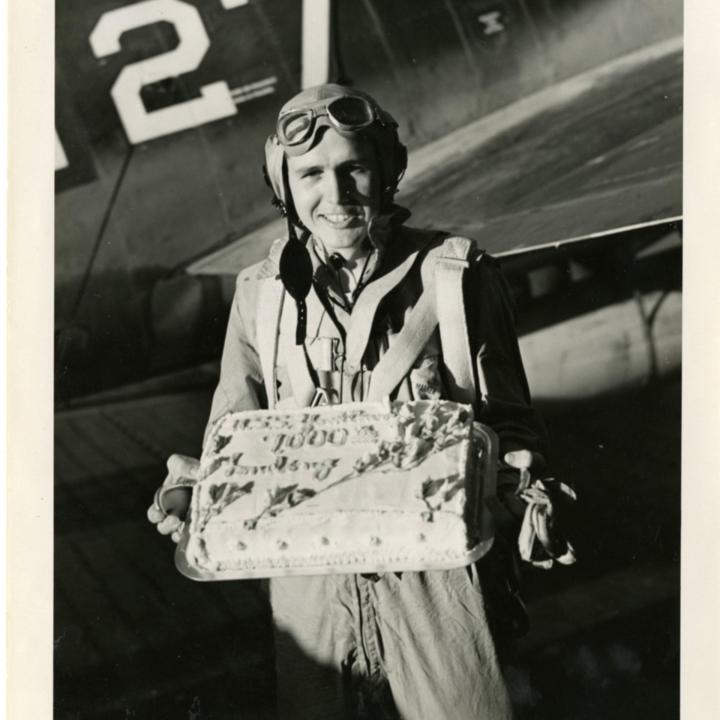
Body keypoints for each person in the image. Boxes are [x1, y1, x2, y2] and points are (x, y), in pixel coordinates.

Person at [148, 84, 550, 720]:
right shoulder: (259, 295)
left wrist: (521, 482)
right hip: (311, 589)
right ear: (284, 186)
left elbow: (512, 422)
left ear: (385, 172)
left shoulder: (456, 275)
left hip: (437, 582)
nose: (333, 196)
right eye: (310, 174)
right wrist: (191, 496)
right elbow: (231, 442)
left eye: (352, 168)